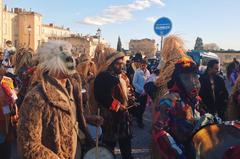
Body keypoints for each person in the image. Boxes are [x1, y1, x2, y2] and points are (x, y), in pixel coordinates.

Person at [17, 41, 102, 159]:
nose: (71, 60)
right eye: (67, 58)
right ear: (55, 63)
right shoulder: (36, 97)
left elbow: (66, 118)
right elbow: (28, 144)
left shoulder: (72, 88)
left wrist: (87, 119)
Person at [153, 57, 205, 159]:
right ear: (177, 80)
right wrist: (178, 153)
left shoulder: (196, 100)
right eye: (186, 78)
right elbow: (159, 131)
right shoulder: (168, 101)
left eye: (195, 77)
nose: (193, 82)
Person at [94, 49, 133, 159]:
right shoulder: (103, 77)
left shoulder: (122, 77)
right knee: (108, 148)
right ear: (110, 64)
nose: (121, 66)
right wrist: (119, 106)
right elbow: (102, 97)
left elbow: (126, 93)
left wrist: (130, 99)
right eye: (118, 64)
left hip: (123, 118)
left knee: (126, 144)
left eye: (122, 64)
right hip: (109, 119)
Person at [132, 59, 148, 128]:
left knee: (143, 107)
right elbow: (134, 83)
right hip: (139, 93)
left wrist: (146, 90)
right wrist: (142, 90)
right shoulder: (137, 72)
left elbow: (148, 81)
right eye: (142, 65)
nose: (143, 66)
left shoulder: (148, 72)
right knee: (139, 107)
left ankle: (138, 118)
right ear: (140, 65)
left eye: (144, 65)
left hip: (145, 93)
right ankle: (139, 122)